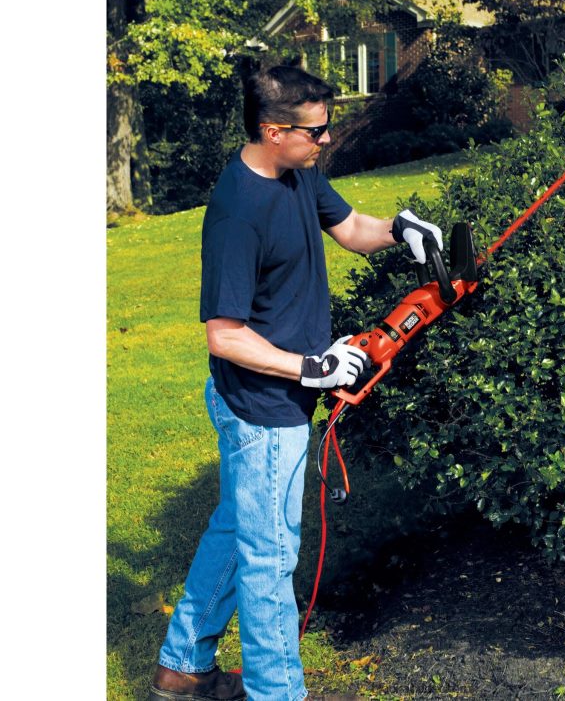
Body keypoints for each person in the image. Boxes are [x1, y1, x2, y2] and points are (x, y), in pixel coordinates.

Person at [148, 65, 443, 701]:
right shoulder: (237, 213)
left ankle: (182, 666)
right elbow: (224, 336)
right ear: (273, 130)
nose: (327, 139)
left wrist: (400, 229)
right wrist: (314, 368)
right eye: (317, 130)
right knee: (270, 559)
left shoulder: (298, 172)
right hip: (262, 409)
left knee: (238, 531)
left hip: (274, 399)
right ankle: (277, 693)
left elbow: (352, 230)